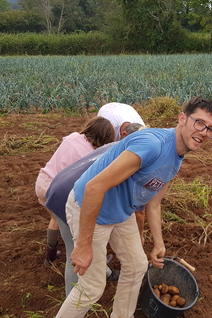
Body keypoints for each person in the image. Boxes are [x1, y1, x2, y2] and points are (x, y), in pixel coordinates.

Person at [38, 97, 212, 318]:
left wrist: (158, 243)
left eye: (210, 129)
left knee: (137, 266)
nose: (203, 132)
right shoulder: (152, 145)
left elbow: (154, 202)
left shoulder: (177, 157)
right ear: (182, 119)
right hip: (90, 207)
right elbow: (94, 188)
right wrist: (82, 245)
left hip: (120, 210)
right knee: (92, 286)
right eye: (199, 123)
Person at [44, 123, 145, 296]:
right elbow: (139, 213)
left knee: (94, 242)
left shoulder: (116, 146)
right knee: (75, 251)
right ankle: (74, 300)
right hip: (68, 196)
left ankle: (106, 273)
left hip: (59, 184)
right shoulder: (137, 162)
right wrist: (140, 238)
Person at [35, 117, 115, 264]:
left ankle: (50, 256)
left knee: (55, 219)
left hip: (42, 181)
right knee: (77, 228)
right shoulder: (90, 155)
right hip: (56, 189)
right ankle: (99, 264)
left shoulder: (73, 136)